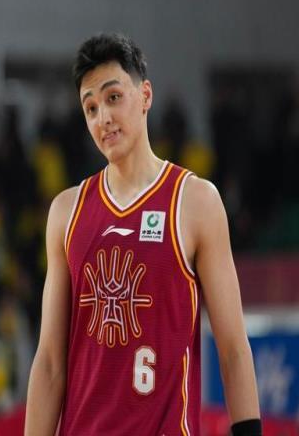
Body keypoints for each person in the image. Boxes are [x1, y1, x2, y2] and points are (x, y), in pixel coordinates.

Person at [25, 33, 261, 436]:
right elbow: (49, 362)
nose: (103, 117)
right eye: (91, 107)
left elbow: (234, 349)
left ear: (145, 95)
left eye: (113, 97)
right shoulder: (66, 212)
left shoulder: (196, 201)